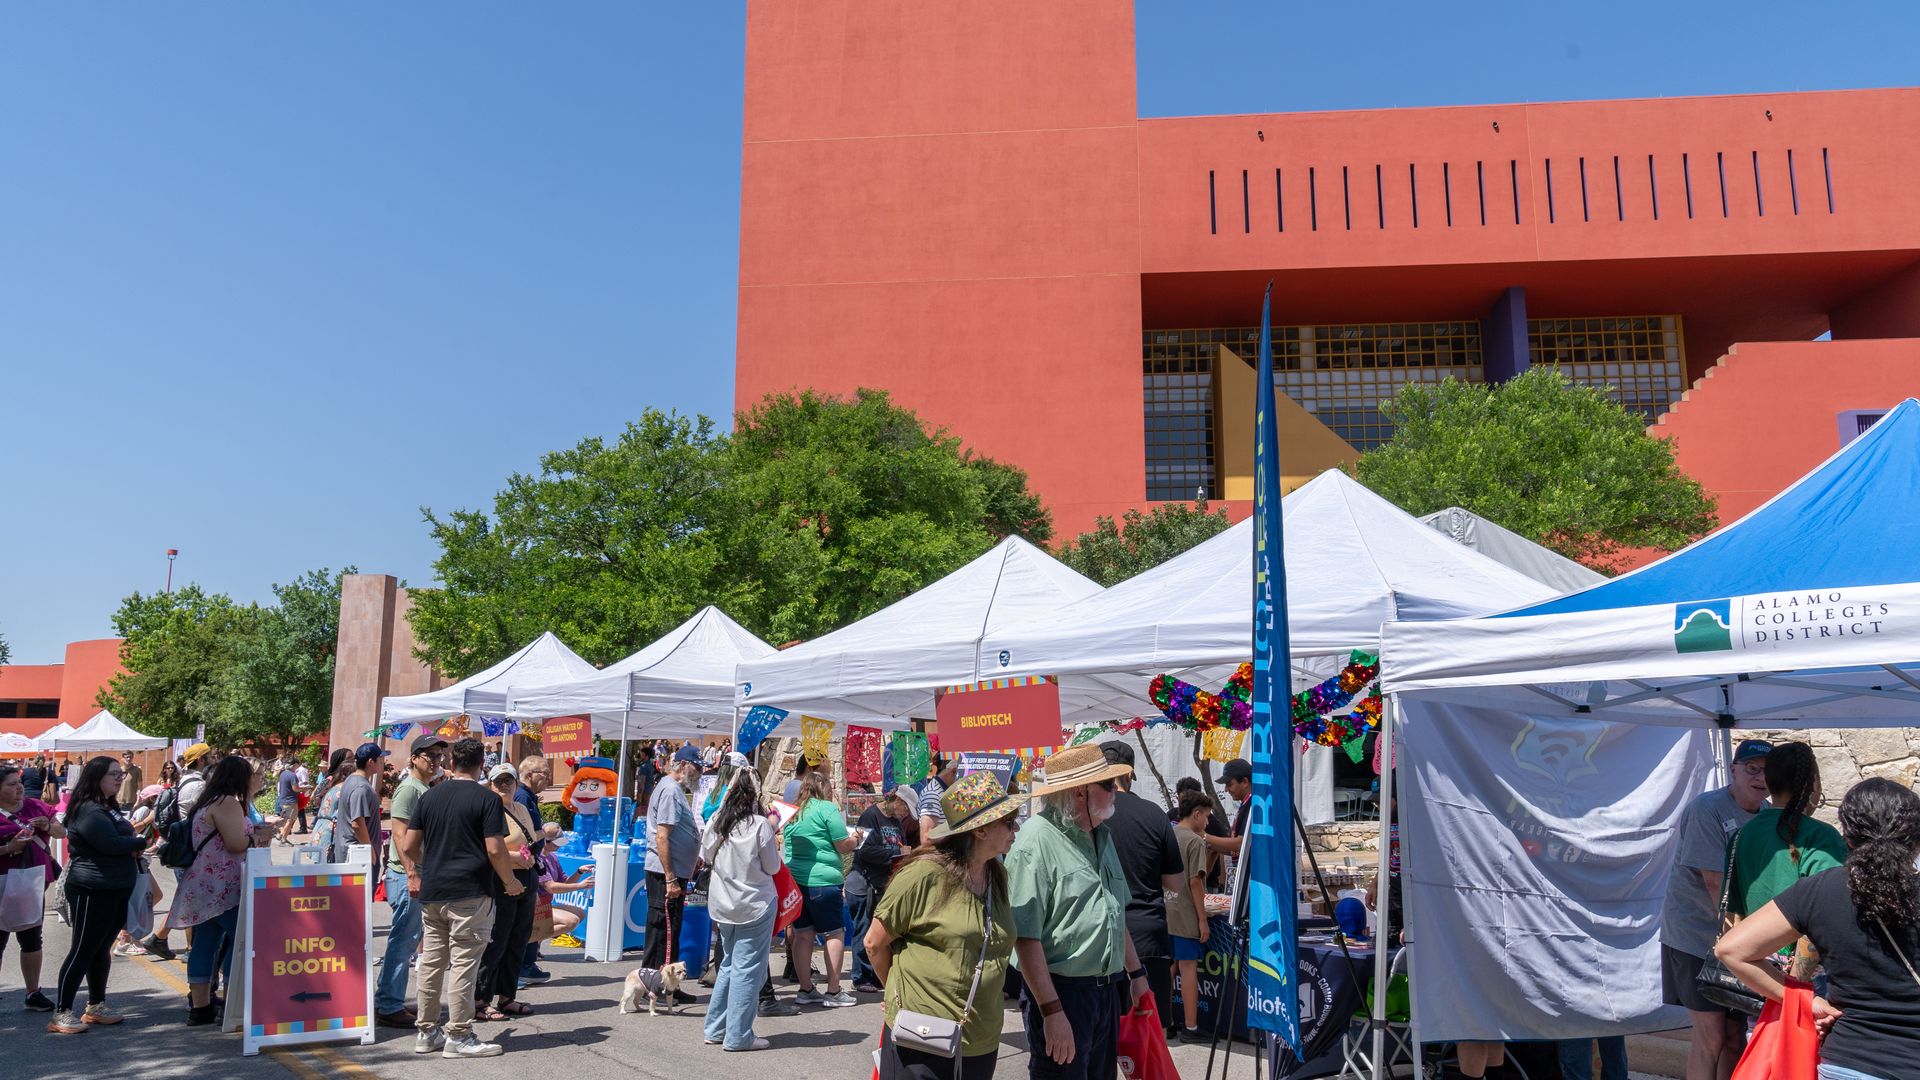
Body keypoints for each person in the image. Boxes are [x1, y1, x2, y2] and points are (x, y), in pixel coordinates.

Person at [1717, 777, 1920, 1080]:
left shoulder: (1818, 891)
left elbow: (1731, 950)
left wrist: (1805, 1002)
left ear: (1848, 836)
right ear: (1915, 839)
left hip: (1849, 1062)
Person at [1005, 743, 1153, 1080]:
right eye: (1106, 785)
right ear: (1078, 793)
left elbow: (1114, 916)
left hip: (1106, 991)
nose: (1115, 792)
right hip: (1063, 993)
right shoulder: (1035, 842)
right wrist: (1052, 1010)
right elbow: (1025, 938)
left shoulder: (1100, 834)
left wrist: (1137, 975)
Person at [865, 771, 1021, 1080]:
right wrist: (896, 993)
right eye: (1008, 821)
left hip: (981, 1040)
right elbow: (874, 943)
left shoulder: (997, 876)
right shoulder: (924, 874)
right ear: (981, 830)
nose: (1015, 828)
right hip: (923, 1036)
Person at [402, 736, 523, 1059]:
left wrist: (432, 863)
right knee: (463, 966)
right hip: (470, 891)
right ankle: (459, 1034)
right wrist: (510, 881)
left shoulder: (430, 796)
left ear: (451, 762)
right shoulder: (487, 800)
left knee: (431, 964)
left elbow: (409, 846)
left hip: (435, 891)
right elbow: (495, 848)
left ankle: (427, 1031)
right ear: (481, 765)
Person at [1662, 738, 1772, 1080]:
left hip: (1739, 942)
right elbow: (1715, 885)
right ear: (1733, 770)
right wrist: (1755, 940)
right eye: (1752, 769)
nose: (1759, 777)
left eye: (1767, 771)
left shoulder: (1768, 815)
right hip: (1696, 937)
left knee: (1736, 1038)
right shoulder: (1706, 809)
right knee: (1711, 1035)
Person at [47, 756, 146, 1034]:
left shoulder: (107, 806)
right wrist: (139, 841)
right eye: (113, 774)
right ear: (96, 777)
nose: (119, 778)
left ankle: (96, 1005)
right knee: (83, 949)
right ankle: (62, 1012)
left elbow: (119, 840)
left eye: (120, 774)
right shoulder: (89, 810)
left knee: (101, 948)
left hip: (115, 885)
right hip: (92, 887)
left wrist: (132, 843)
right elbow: (110, 844)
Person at [171, 756, 270, 1025]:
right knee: (240, 943)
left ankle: (200, 1007)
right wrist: (258, 836)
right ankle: (233, 1004)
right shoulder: (227, 802)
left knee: (205, 944)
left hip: (204, 883)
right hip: (224, 885)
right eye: (251, 775)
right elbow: (236, 844)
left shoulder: (209, 801)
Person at [1096, 742, 1186, 1036]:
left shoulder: (1091, 816)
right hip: (1148, 935)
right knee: (1148, 1038)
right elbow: (1175, 883)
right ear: (1130, 773)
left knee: (1104, 1040)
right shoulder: (1153, 814)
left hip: (1103, 939)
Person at [700, 766, 782, 1051]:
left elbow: (705, 855)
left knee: (729, 965)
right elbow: (773, 866)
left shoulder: (716, 821)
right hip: (754, 904)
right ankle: (738, 1035)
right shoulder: (759, 825)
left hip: (723, 904)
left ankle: (716, 1028)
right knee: (747, 969)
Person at [1729, 741, 1849, 927]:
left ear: (1768, 781)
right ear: (1813, 783)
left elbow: (1733, 913)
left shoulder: (1741, 834)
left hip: (1752, 951)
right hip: (1802, 952)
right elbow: (1829, 910)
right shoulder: (1821, 836)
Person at [377, 733, 446, 1028]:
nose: (435, 760)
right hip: (407, 872)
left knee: (410, 939)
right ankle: (389, 1004)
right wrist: (412, 873)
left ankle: (390, 1000)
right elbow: (399, 833)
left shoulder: (424, 787)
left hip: (419, 871)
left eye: (438, 755)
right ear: (414, 758)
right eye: (429, 755)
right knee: (403, 941)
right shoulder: (409, 789)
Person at [784, 771, 857, 1007]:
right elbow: (843, 845)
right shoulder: (826, 809)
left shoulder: (792, 811)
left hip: (796, 880)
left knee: (802, 934)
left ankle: (805, 989)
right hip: (824, 881)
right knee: (834, 933)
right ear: (823, 787)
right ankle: (834, 991)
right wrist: (856, 839)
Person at [140, 740, 214, 961]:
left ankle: (160, 938)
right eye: (210, 756)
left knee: (186, 896)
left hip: (183, 846)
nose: (214, 759)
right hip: (193, 849)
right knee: (193, 898)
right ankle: (190, 948)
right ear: (201, 760)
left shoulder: (184, 782)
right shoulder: (198, 786)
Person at [476, 763, 539, 1020]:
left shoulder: (521, 807)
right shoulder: (489, 809)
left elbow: (531, 838)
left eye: (508, 780)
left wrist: (529, 853)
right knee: (496, 940)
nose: (504, 785)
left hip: (526, 877)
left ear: (515, 783)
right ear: (490, 784)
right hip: (502, 879)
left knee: (518, 939)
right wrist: (513, 855)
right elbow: (486, 848)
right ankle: (481, 1000)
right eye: (498, 781)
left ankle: (507, 996)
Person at [0, 763, 65, 1011]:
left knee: (31, 938)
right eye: (11, 784)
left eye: (19, 782)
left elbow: (62, 832)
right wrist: (9, 849)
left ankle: (33, 992)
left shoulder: (35, 806)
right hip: (2, 883)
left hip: (32, 882)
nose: (19, 787)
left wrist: (47, 826)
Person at [644, 758, 701, 1002]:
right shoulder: (669, 790)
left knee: (670, 930)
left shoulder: (673, 789)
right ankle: (654, 989)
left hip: (673, 870)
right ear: (683, 765)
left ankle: (670, 989)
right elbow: (662, 837)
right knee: (663, 931)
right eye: (696, 768)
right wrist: (670, 878)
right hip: (665, 872)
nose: (699, 773)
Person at [848, 787, 912, 992]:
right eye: (904, 808)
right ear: (897, 800)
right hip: (865, 883)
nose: (904, 813)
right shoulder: (870, 816)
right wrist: (896, 851)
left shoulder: (895, 821)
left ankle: (876, 974)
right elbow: (864, 850)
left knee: (880, 929)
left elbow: (900, 843)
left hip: (883, 883)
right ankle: (861, 976)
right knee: (863, 927)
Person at [1168, 789, 1213, 1043]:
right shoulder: (1195, 842)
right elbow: (1195, 881)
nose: (1207, 822)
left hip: (1166, 911)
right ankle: (1191, 1026)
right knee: (1188, 969)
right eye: (1206, 816)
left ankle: (1166, 1023)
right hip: (1185, 914)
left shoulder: (1168, 834)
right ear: (1196, 814)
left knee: (1168, 968)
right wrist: (1202, 919)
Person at [514, 756, 552, 983]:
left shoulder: (528, 797)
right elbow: (523, 835)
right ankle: (522, 967)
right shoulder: (521, 796)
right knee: (523, 921)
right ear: (529, 775)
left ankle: (527, 964)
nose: (547, 778)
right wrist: (543, 833)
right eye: (544, 774)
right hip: (524, 864)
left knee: (530, 919)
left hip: (531, 863)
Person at [1170, 777, 1231, 891]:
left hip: (1206, 882)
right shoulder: (1170, 816)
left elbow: (1222, 849)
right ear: (1177, 797)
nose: (1187, 804)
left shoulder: (1209, 823)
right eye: (1184, 800)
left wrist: (1221, 877)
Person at [334, 742, 388, 862]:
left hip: (355, 852)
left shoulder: (352, 780)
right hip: (357, 855)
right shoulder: (360, 787)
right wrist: (369, 850)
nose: (381, 762)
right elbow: (357, 823)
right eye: (379, 759)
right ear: (370, 762)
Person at [917, 755, 959, 841]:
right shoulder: (933, 794)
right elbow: (927, 836)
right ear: (953, 771)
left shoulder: (942, 792)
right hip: (941, 851)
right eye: (960, 778)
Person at [274, 758, 301, 843]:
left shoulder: (283, 773)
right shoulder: (293, 775)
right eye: (297, 765)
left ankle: (281, 834)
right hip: (291, 801)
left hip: (282, 800)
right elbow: (295, 789)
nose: (298, 767)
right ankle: (283, 838)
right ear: (294, 765)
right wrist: (304, 789)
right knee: (290, 820)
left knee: (283, 819)